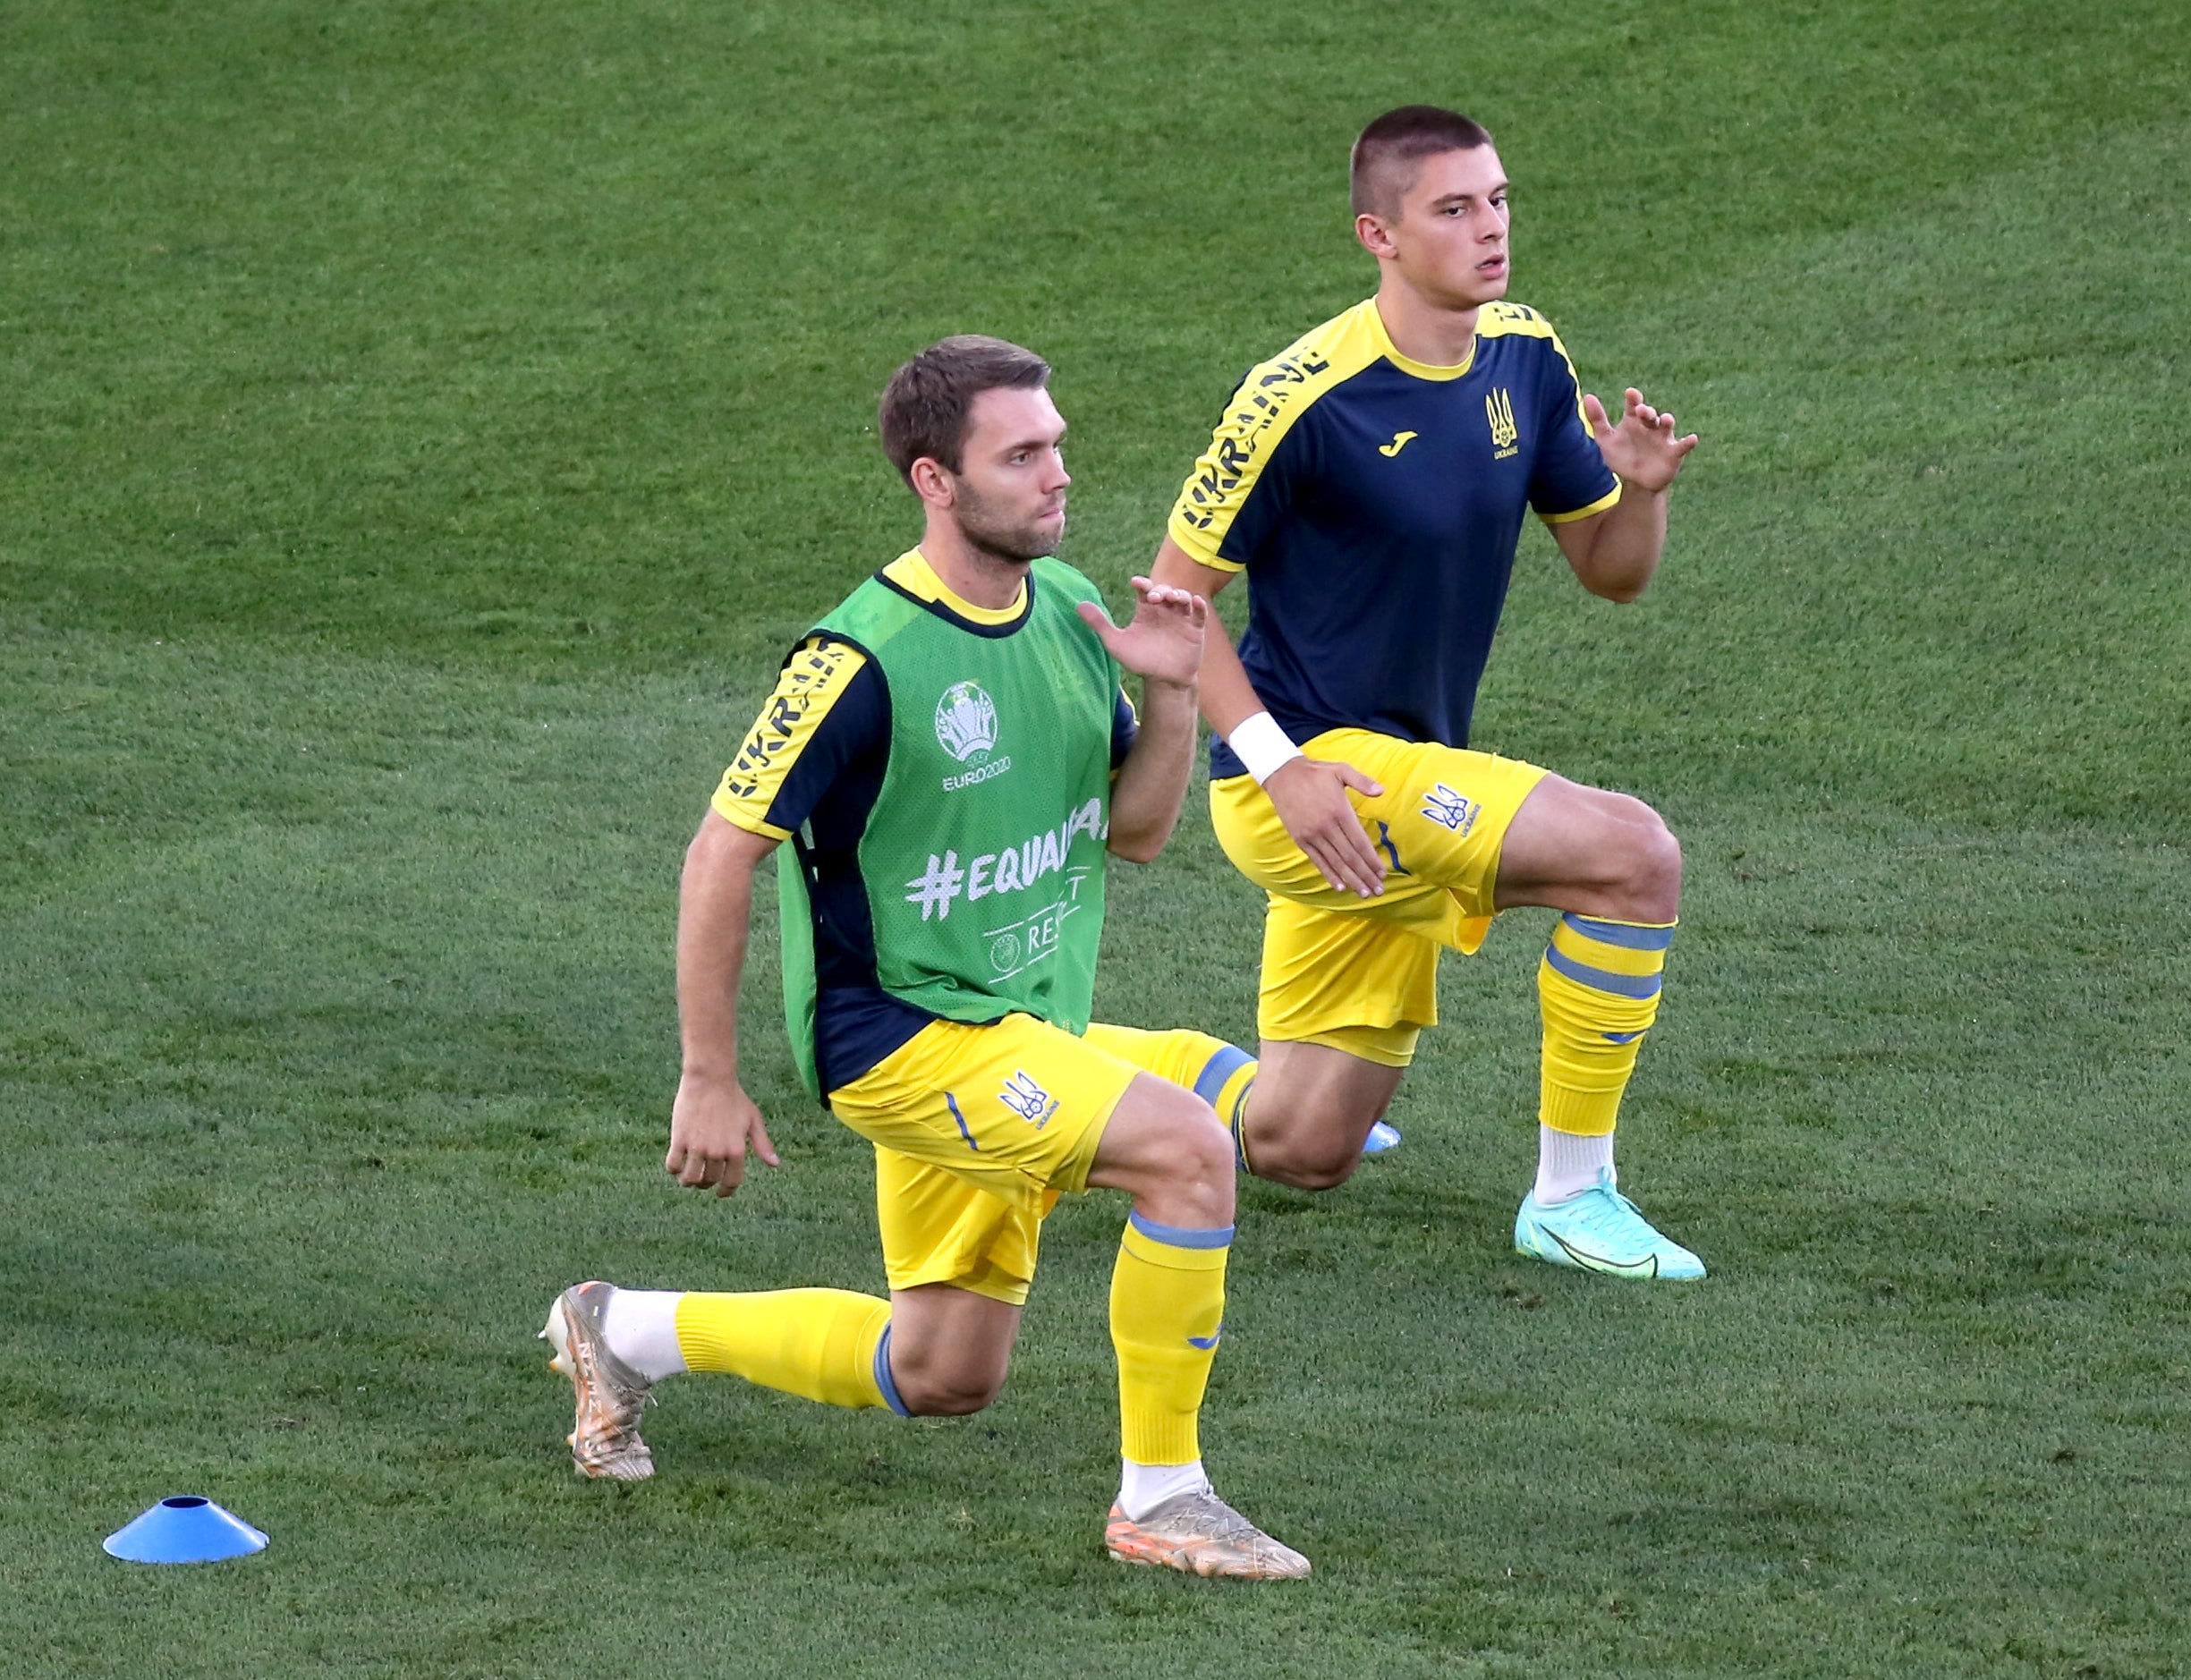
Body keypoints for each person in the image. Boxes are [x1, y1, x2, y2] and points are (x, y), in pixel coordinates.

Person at [543, 335, 1306, 1581]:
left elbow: (1139, 830)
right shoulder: (856, 659)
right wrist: (707, 1073)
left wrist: (1171, 697)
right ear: (933, 481)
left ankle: (620, 1329)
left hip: (1017, 1028)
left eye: (1056, 443)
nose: (1058, 474)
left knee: (943, 1371)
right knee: (1190, 1147)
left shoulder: (1065, 613)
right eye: (1021, 454)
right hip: (894, 1035)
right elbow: (718, 852)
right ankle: (1162, 1499)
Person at [1148, 106, 1706, 1279]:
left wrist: (1640, 493)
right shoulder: (1299, 395)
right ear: (1379, 235)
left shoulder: (1522, 353)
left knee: (1300, 1145)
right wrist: (1276, 763)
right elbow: (1171, 605)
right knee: (1631, 856)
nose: (1489, 229)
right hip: (1308, 783)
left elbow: (1609, 571)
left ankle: (1074, 1065)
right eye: (1452, 209)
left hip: (1391, 787)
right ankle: (1570, 1193)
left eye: (1497, 199)